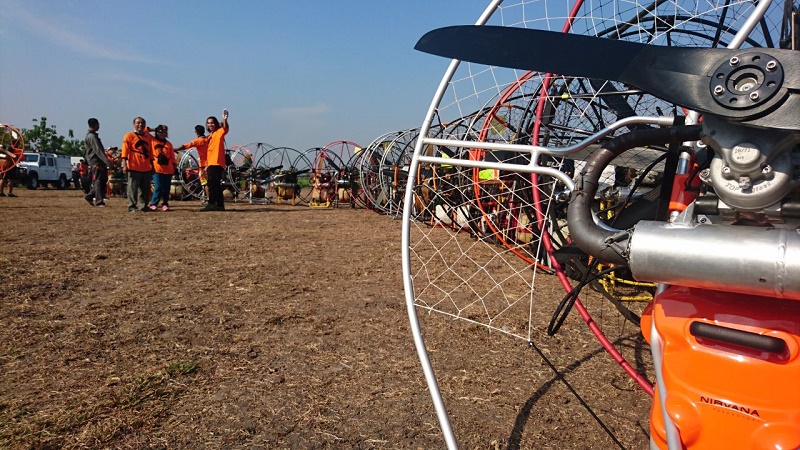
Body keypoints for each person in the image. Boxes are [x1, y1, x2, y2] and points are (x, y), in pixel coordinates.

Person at [121, 117, 154, 212]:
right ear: (134, 124)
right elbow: (125, 151)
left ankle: (143, 206)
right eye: (138, 123)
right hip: (134, 166)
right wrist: (124, 164)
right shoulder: (129, 136)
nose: (140, 125)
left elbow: (150, 152)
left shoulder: (148, 137)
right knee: (133, 188)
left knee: (145, 189)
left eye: (142, 123)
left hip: (146, 167)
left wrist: (152, 165)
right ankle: (131, 206)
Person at [200, 110, 229, 211]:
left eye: (212, 122)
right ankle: (220, 205)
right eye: (208, 123)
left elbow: (225, 128)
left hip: (217, 163)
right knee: (215, 184)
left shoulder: (219, 132)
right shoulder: (210, 136)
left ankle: (212, 203)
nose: (210, 124)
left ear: (216, 123)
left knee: (212, 184)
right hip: (211, 163)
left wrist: (224, 119)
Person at [174, 125, 209, 201]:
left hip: (203, 165)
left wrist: (175, 149)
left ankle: (209, 199)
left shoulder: (198, 141)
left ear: (196, 132)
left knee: (205, 183)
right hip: (212, 163)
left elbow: (186, 146)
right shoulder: (208, 139)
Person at [83, 118, 112, 207]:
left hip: (98, 161)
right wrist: (107, 162)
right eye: (98, 124)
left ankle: (90, 196)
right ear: (95, 125)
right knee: (98, 181)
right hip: (96, 162)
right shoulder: (92, 137)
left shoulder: (92, 136)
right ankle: (99, 201)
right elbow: (98, 151)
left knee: (103, 180)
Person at [148, 125, 175, 211]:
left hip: (168, 169)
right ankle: (153, 203)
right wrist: (154, 128)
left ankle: (165, 203)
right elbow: (145, 131)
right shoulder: (152, 140)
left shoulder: (169, 144)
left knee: (166, 187)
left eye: (164, 132)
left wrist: (175, 167)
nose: (162, 134)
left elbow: (172, 157)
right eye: (160, 131)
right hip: (157, 168)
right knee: (158, 186)